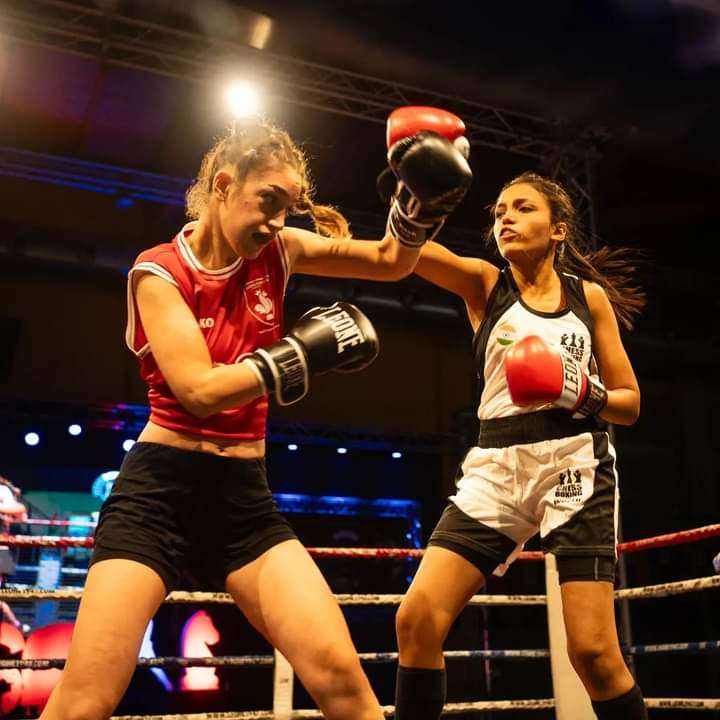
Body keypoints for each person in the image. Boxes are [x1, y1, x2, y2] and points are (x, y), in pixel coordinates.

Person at [39, 107, 471, 720]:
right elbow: (199, 390)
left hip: (245, 502)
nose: (276, 222)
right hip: (158, 495)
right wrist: (301, 355)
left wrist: (418, 210)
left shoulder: (282, 251)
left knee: (343, 680)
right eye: (267, 200)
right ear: (222, 186)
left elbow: (388, 262)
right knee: (87, 698)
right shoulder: (158, 271)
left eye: (287, 208)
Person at [394, 172, 648, 719]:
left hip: (575, 463)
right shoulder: (486, 285)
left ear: (557, 229)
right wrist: (411, 201)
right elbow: (411, 255)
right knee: (416, 620)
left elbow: (629, 402)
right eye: (498, 211)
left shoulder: (589, 299)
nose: (504, 218)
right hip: (496, 468)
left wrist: (580, 389)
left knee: (594, 653)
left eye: (522, 208)